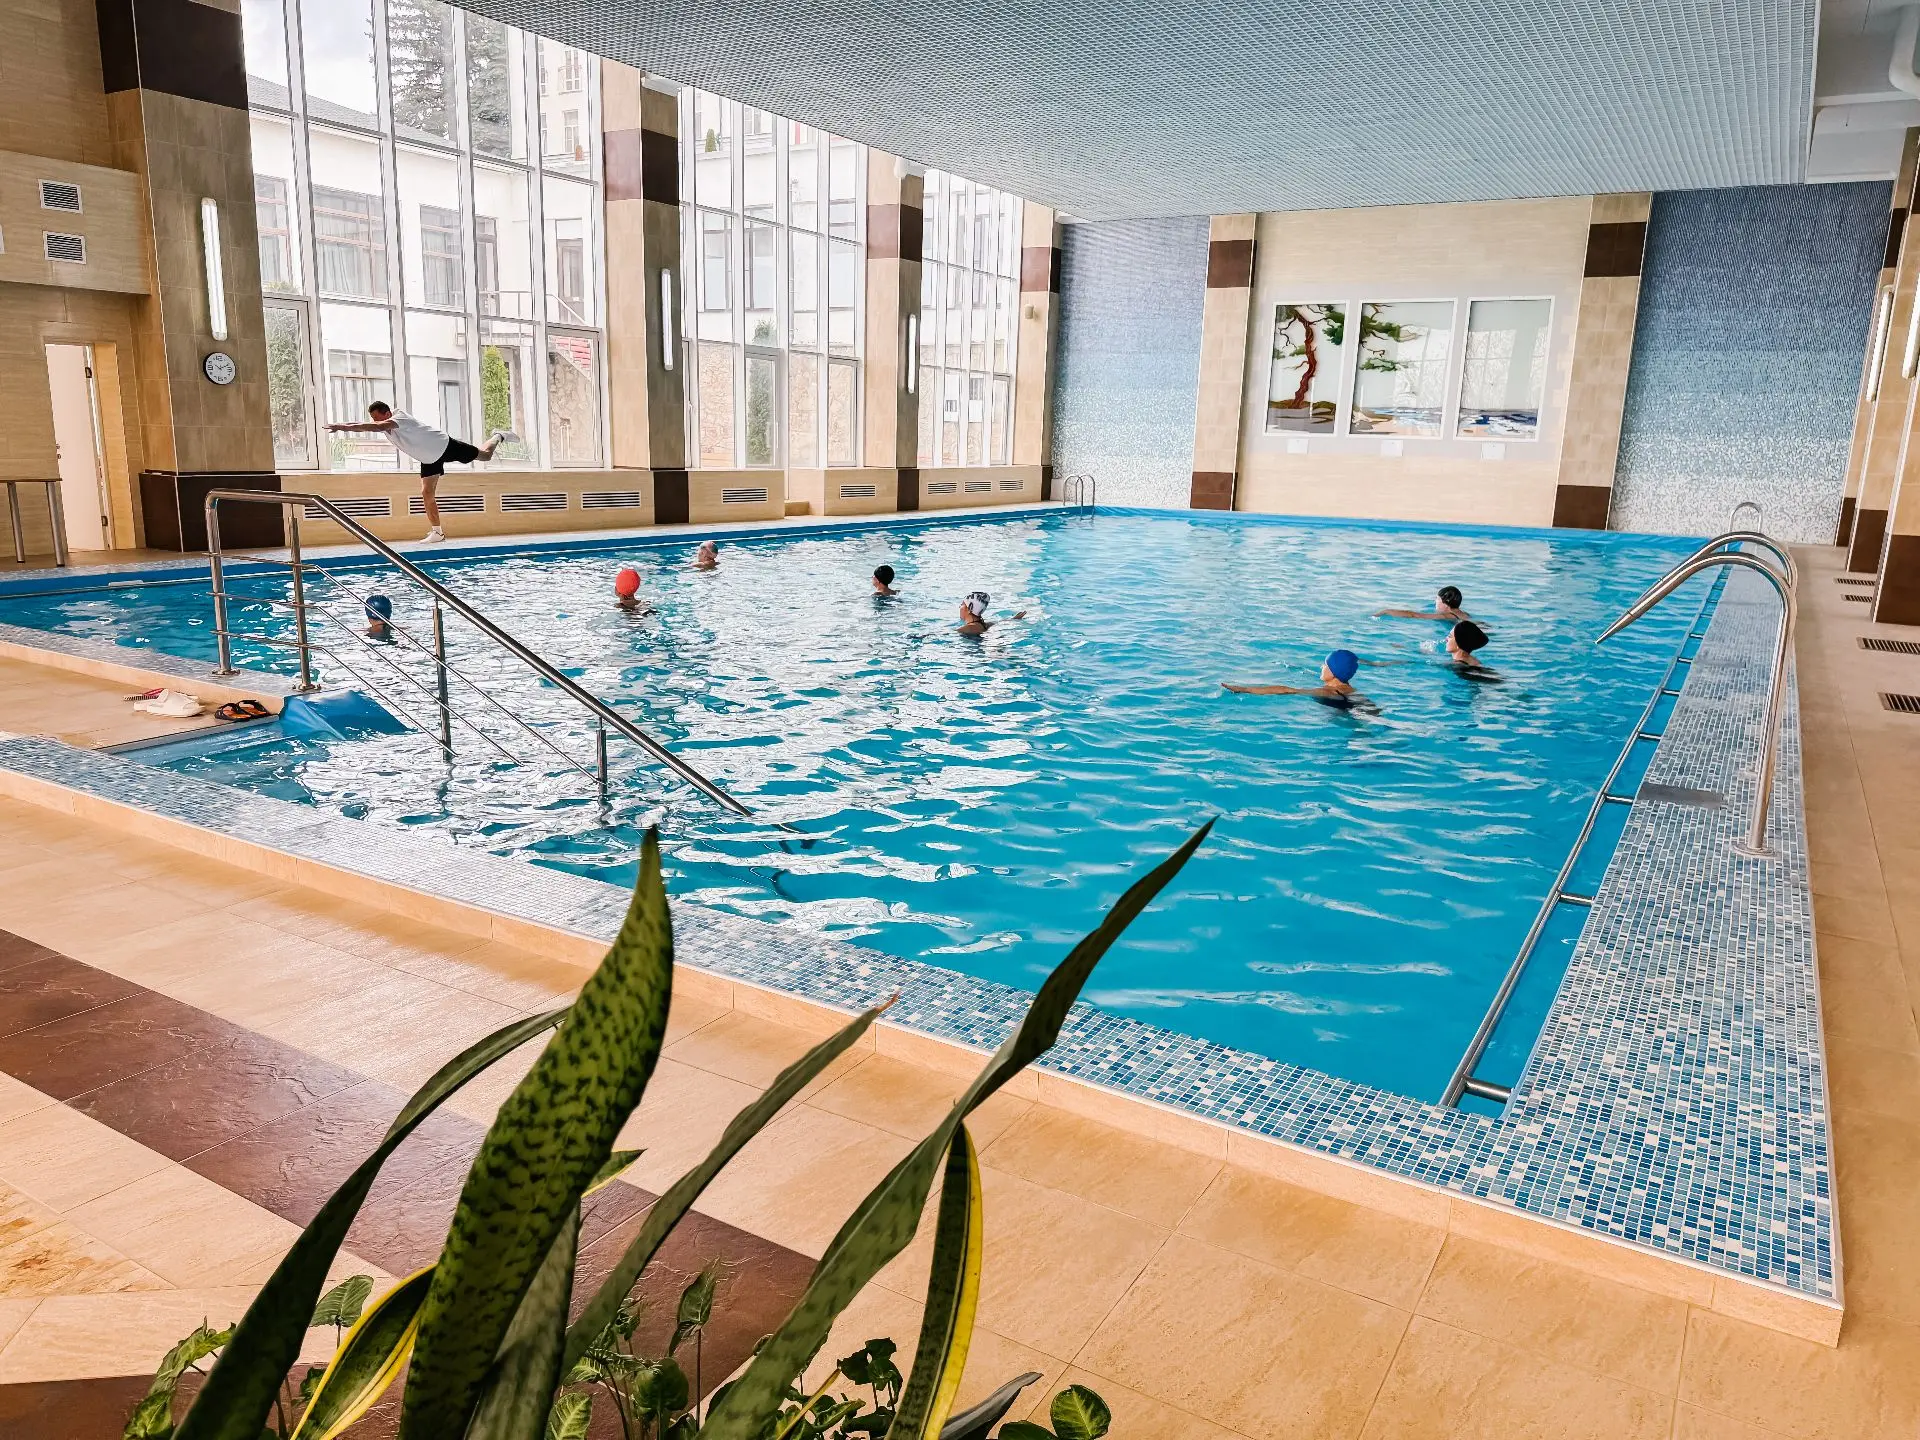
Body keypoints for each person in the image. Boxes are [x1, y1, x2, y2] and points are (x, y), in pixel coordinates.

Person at [326, 403, 515, 542]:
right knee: (426, 493)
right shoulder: (383, 423)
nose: (376, 422)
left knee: (485, 456)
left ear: (388, 414)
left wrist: (343, 428)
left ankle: (499, 435)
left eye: (378, 418)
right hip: (429, 458)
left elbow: (378, 426)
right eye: (374, 419)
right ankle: (437, 532)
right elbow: (365, 424)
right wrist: (341, 424)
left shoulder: (399, 418)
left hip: (444, 445)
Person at [1222, 648, 1377, 709]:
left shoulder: (1329, 692)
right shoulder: (1349, 689)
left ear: (1335, 671)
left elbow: (1287, 690)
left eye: (1325, 665)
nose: (1321, 666)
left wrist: (1245, 689)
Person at [1376, 585, 1469, 621]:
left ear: (1445, 603)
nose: (1435, 601)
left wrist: (1387, 611)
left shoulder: (1447, 616)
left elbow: (1414, 615)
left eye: (1437, 599)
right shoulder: (1464, 614)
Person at [957, 591, 1025, 635]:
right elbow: (1001, 622)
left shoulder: (965, 629)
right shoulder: (986, 625)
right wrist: (1013, 619)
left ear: (969, 609)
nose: (960, 606)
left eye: (962, 604)